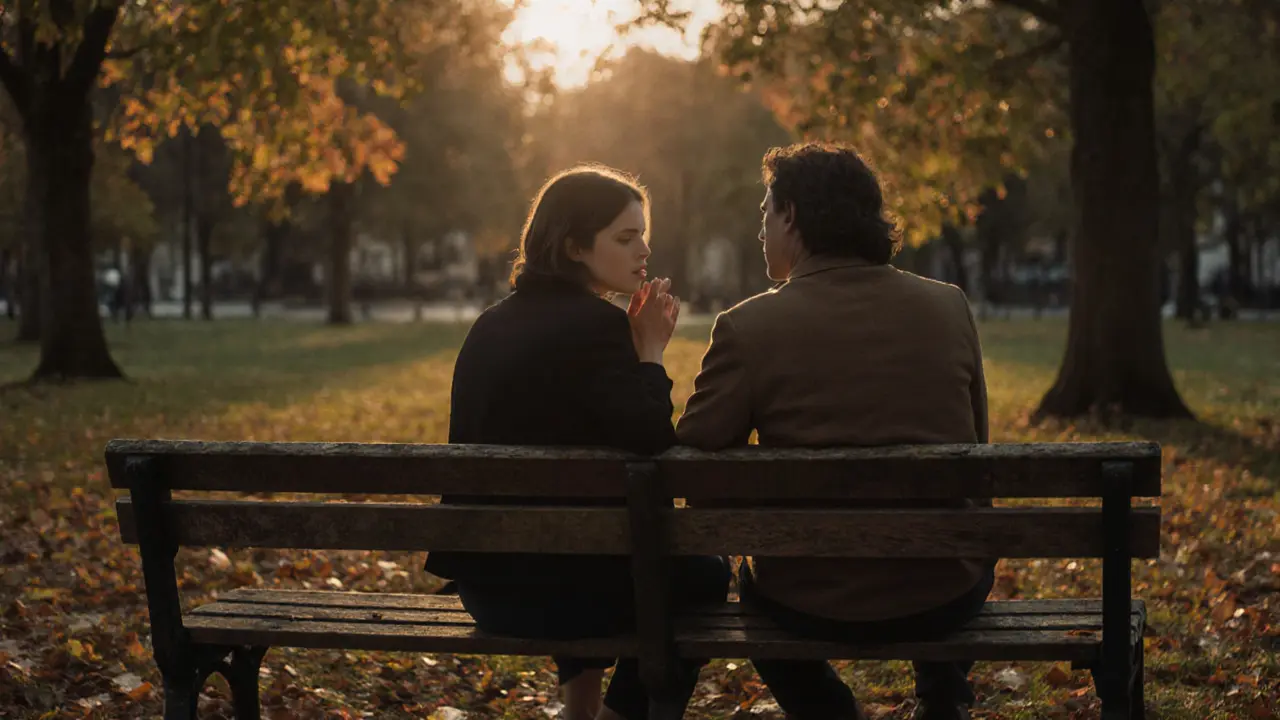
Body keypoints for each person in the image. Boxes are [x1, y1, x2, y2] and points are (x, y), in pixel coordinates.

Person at [676, 143, 996, 720]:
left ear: (792, 215)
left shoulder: (748, 326)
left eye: (765, 213)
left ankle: (826, 710)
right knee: (967, 535)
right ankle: (942, 695)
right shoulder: (948, 307)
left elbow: (696, 453)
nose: (761, 230)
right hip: (942, 591)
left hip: (805, 596)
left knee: (752, 591)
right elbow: (977, 447)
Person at [427, 164, 730, 720]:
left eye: (643, 235)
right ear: (573, 247)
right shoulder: (600, 327)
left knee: (574, 539)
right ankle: (623, 712)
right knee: (707, 576)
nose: (643, 249)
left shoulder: (489, 324)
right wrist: (652, 351)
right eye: (624, 237)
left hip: (488, 589)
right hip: (560, 595)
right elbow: (651, 441)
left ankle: (581, 708)